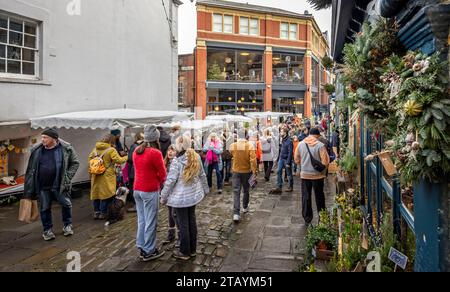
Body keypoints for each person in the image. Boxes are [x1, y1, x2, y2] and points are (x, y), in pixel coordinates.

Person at [24, 129, 80, 241]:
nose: (42, 140)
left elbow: (75, 163)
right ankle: (47, 230)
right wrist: (30, 187)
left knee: (66, 205)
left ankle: (67, 225)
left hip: (60, 185)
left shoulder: (65, 149)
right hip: (43, 186)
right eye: (42, 137)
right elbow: (31, 169)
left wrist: (67, 177)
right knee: (45, 208)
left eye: (45, 137)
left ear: (54, 139)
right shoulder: (37, 150)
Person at [161, 133, 209, 260]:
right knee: (191, 221)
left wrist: (163, 196)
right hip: (193, 196)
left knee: (183, 224)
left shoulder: (177, 161)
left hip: (180, 198)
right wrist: (206, 189)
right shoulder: (195, 156)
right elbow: (202, 175)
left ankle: (185, 251)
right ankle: (192, 249)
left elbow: (170, 181)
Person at [133, 125, 167, 261]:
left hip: (137, 189)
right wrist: (160, 181)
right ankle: (149, 251)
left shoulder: (137, 150)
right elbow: (163, 173)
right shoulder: (155, 153)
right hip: (149, 189)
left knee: (142, 220)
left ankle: (141, 246)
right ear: (156, 139)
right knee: (151, 221)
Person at [294, 128, 330, 226]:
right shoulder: (320, 145)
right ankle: (322, 218)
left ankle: (307, 218)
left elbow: (296, 159)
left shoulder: (300, 144)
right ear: (317, 136)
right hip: (318, 176)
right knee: (319, 197)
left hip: (305, 175)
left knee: (306, 196)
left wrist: (303, 164)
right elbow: (325, 161)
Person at [89, 134, 128, 220]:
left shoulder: (95, 149)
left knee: (96, 193)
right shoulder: (111, 150)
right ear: (112, 141)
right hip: (107, 175)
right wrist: (126, 157)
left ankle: (96, 212)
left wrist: (97, 166)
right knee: (105, 194)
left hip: (95, 174)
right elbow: (118, 160)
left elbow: (90, 159)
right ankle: (103, 213)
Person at [230, 129, 257, 222]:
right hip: (246, 171)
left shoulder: (233, 145)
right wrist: (254, 172)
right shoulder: (249, 145)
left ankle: (236, 213)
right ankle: (245, 207)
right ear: (246, 135)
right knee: (246, 190)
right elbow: (253, 160)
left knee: (236, 192)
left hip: (236, 171)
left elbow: (231, 154)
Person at [162, 145, 178, 245]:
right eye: (168, 150)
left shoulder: (177, 163)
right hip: (168, 192)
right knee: (170, 213)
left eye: (172, 150)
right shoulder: (165, 163)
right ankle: (171, 235)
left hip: (176, 193)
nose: (170, 152)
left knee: (175, 214)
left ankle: (181, 235)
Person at [271, 128, 294, 194]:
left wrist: (288, 162)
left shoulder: (289, 141)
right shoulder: (282, 139)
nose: (280, 133)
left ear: (285, 133)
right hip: (281, 158)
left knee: (289, 174)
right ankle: (279, 185)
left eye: (281, 132)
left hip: (286, 159)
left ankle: (290, 186)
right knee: (278, 171)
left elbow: (290, 152)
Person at [126, 132, 144, 213]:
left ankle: (136, 205)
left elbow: (130, 158)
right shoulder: (146, 145)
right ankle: (141, 204)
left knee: (133, 188)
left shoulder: (134, 146)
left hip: (134, 170)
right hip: (142, 170)